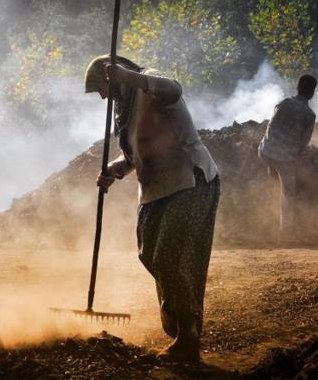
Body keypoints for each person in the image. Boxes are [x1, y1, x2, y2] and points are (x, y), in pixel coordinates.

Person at [84, 55, 220, 363]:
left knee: (169, 257)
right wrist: (114, 170)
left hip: (189, 180)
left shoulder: (149, 81)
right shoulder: (125, 109)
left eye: (103, 89)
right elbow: (135, 155)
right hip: (156, 190)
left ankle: (187, 336)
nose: (104, 97)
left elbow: (174, 90)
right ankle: (180, 322)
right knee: (150, 255)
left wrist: (126, 76)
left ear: (116, 77)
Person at [258, 75, 317, 243]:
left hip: (264, 151)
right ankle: (286, 233)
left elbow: (271, 125)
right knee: (289, 192)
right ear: (312, 92)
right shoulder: (309, 114)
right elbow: (303, 144)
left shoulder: (283, 103)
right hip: (284, 159)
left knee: (275, 165)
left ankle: (272, 170)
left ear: (297, 87)